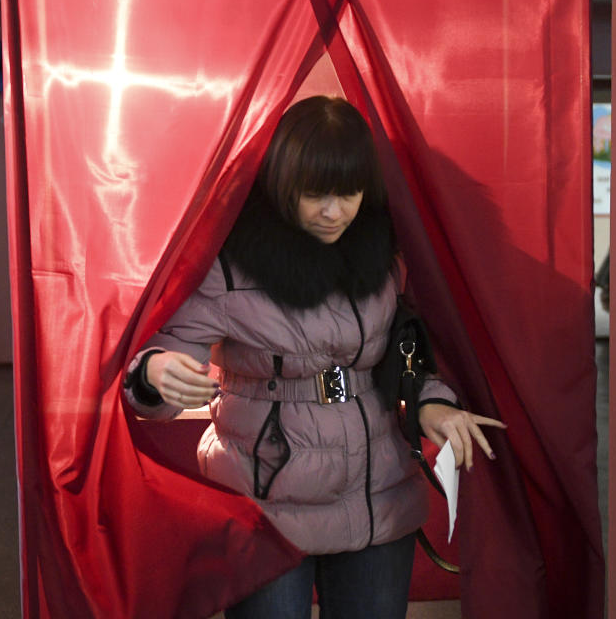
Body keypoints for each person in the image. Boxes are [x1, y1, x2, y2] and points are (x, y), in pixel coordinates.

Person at [123, 96, 506, 619]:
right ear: (282, 185)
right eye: (315, 195)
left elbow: (406, 348)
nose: (334, 212)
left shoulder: (383, 253)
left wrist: (429, 404)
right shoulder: (230, 264)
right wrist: (152, 373)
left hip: (378, 492)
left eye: (348, 194)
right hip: (265, 500)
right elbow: (162, 375)